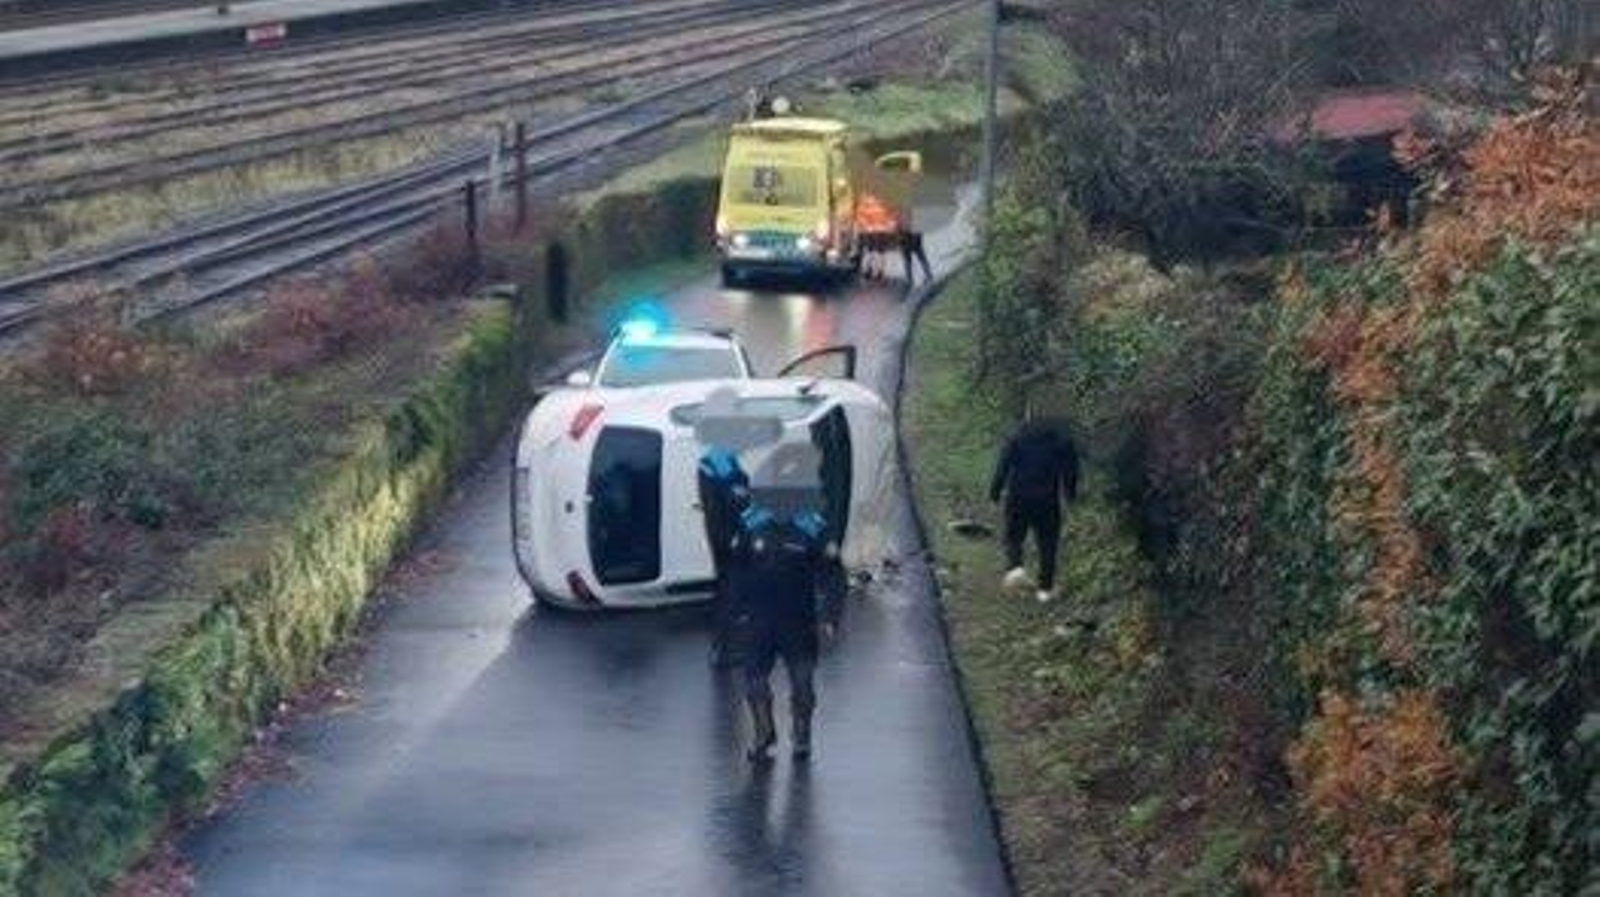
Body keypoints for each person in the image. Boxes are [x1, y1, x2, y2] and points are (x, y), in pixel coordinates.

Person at [729, 444, 843, 763]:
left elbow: (833, 574)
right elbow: (736, 569)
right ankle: (764, 734)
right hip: (759, 620)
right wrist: (735, 612)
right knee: (754, 683)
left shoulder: (813, 527)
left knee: (803, 684)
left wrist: (830, 616)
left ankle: (802, 731)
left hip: (799, 621)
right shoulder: (750, 523)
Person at [989, 416, 1080, 603]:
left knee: (1014, 536)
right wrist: (1070, 495)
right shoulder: (1061, 441)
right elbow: (1071, 471)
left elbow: (1003, 465)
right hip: (1047, 500)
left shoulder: (1018, 438)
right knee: (1048, 544)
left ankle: (1016, 568)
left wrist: (995, 492)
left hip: (1018, 497)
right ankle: (1045, 590)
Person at [698, 448, 751, 668]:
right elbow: (738, 500)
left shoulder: (709, 459)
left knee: (725, 591)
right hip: (730, 538)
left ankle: (720, 647)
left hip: (718, 534)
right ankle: (728, 651)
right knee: (732, 594)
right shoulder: (726, 466)